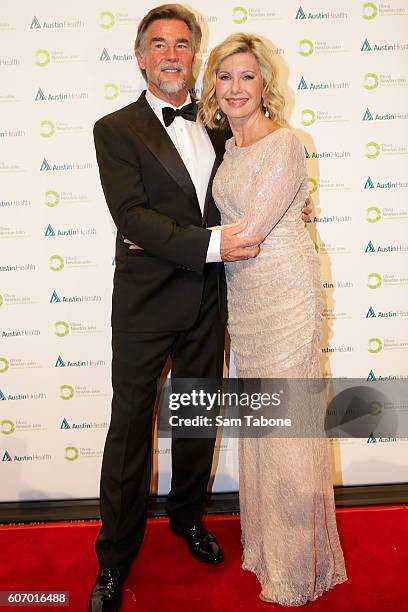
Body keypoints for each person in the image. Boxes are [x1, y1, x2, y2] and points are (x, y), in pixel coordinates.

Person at [90, 5, 311, 610]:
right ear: (141, 56)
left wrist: (298, 208)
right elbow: (132, 216)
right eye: (158, 44)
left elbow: (252, 181)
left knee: (195, 425)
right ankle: (113, 558)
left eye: (182, 44)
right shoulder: (114, 130)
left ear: (194, 55)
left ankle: (189, 519)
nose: (170, 54)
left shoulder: (220, 127)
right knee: (131, 430)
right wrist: (208, 243)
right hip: (144, 303)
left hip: (211, 302)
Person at [200, 33, 347, 605]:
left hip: (284, 290)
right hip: (245, 296)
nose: (236, 88)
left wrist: (164, 244)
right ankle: (267, 545)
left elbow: (251, 232)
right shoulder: (228, 146)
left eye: (247, 77)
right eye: (225, 77)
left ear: (266, 85)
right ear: (214, 86)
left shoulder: (284, 143)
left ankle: (298, 564)